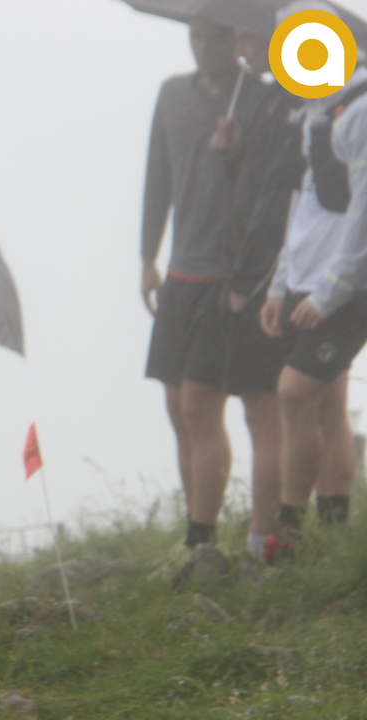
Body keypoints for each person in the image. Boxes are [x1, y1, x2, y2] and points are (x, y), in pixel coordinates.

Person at [141, 19, 252, 548]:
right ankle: (195, 526)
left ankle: (201, 538)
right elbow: (157, 178)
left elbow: (271, 185)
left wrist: (236, 154)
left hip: (229, 271)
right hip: (180, 269)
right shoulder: (171, 94)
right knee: (174, 407)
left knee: (200, 406)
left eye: (217, 37)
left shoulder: (256, 96)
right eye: (197, 36)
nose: (205, 48)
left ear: (237, 37)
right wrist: (147, 257)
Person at [260, 60, 367, 559]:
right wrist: (281, 282)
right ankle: (336, 531)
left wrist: (330, 292)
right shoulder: (317, 110)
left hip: (346, 286)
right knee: (326, 402)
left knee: (294, 393)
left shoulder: (360, 110)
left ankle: (290, 530)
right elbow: (305, 202)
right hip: (306, 280)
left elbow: (364, 211)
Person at [208, 28, 304, 558]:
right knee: (277, 409)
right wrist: (232, 155)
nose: (241, 50)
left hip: (267, 279)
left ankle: (264, 534)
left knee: (264, 411)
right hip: (268, 271)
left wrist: (248, 282)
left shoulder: (291, 103)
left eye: (249, 38)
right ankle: (282, 528)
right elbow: (258, 187)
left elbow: (277, 202)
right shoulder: (274, 100)